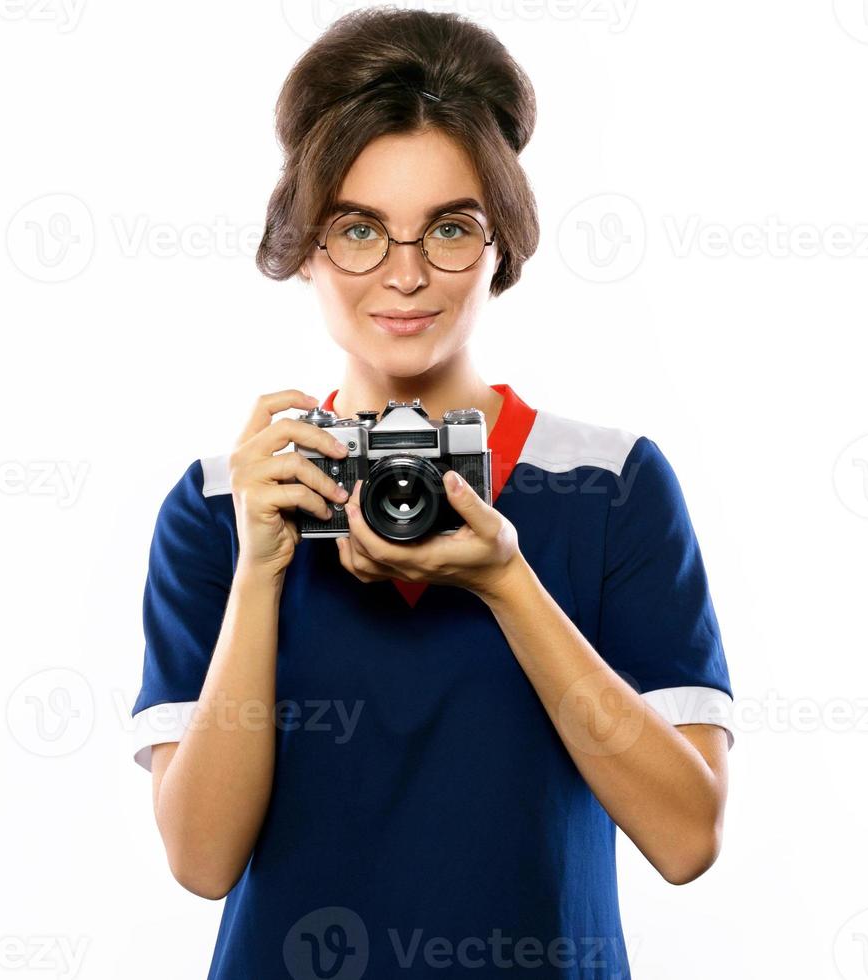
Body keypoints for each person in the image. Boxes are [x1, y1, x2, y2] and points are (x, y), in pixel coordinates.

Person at [128, 8, 735, 979]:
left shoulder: (607, 484)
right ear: (307, 247)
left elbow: (685, 834)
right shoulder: (224, 500)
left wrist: (505, 580)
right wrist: (257, 568)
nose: (404, 276)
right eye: (358, 229)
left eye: (448, 227)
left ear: (500, 241)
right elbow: (200, 860)